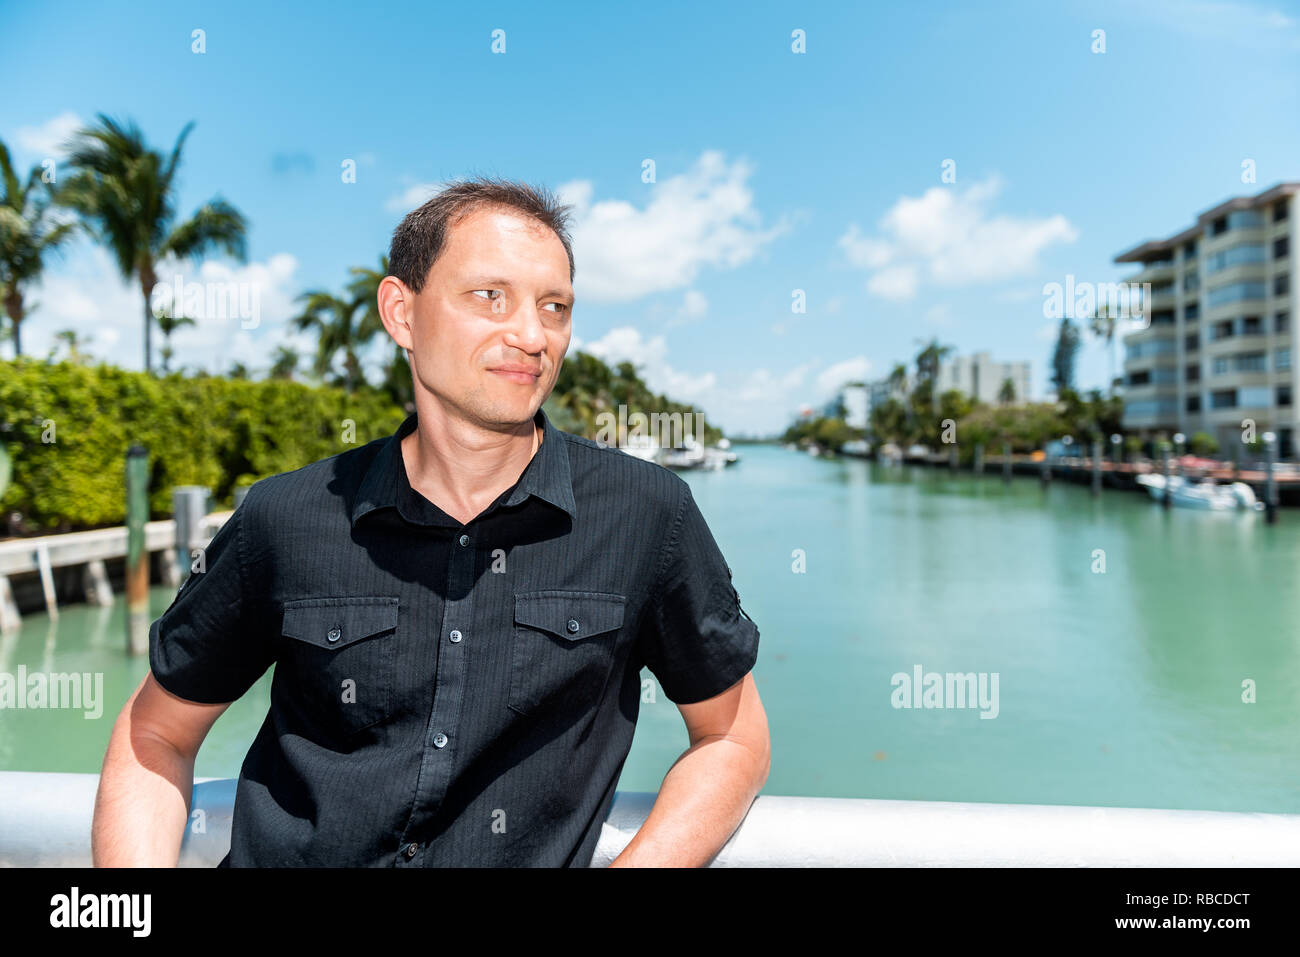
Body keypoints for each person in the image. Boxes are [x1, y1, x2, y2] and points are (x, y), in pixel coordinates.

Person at [92, 176, 768, 867]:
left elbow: (733, 737)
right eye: (489, 296)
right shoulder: (283, 517)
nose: (533, 335)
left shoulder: (644, 514)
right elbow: (157, 735)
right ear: (401, 312)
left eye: (555, 306)